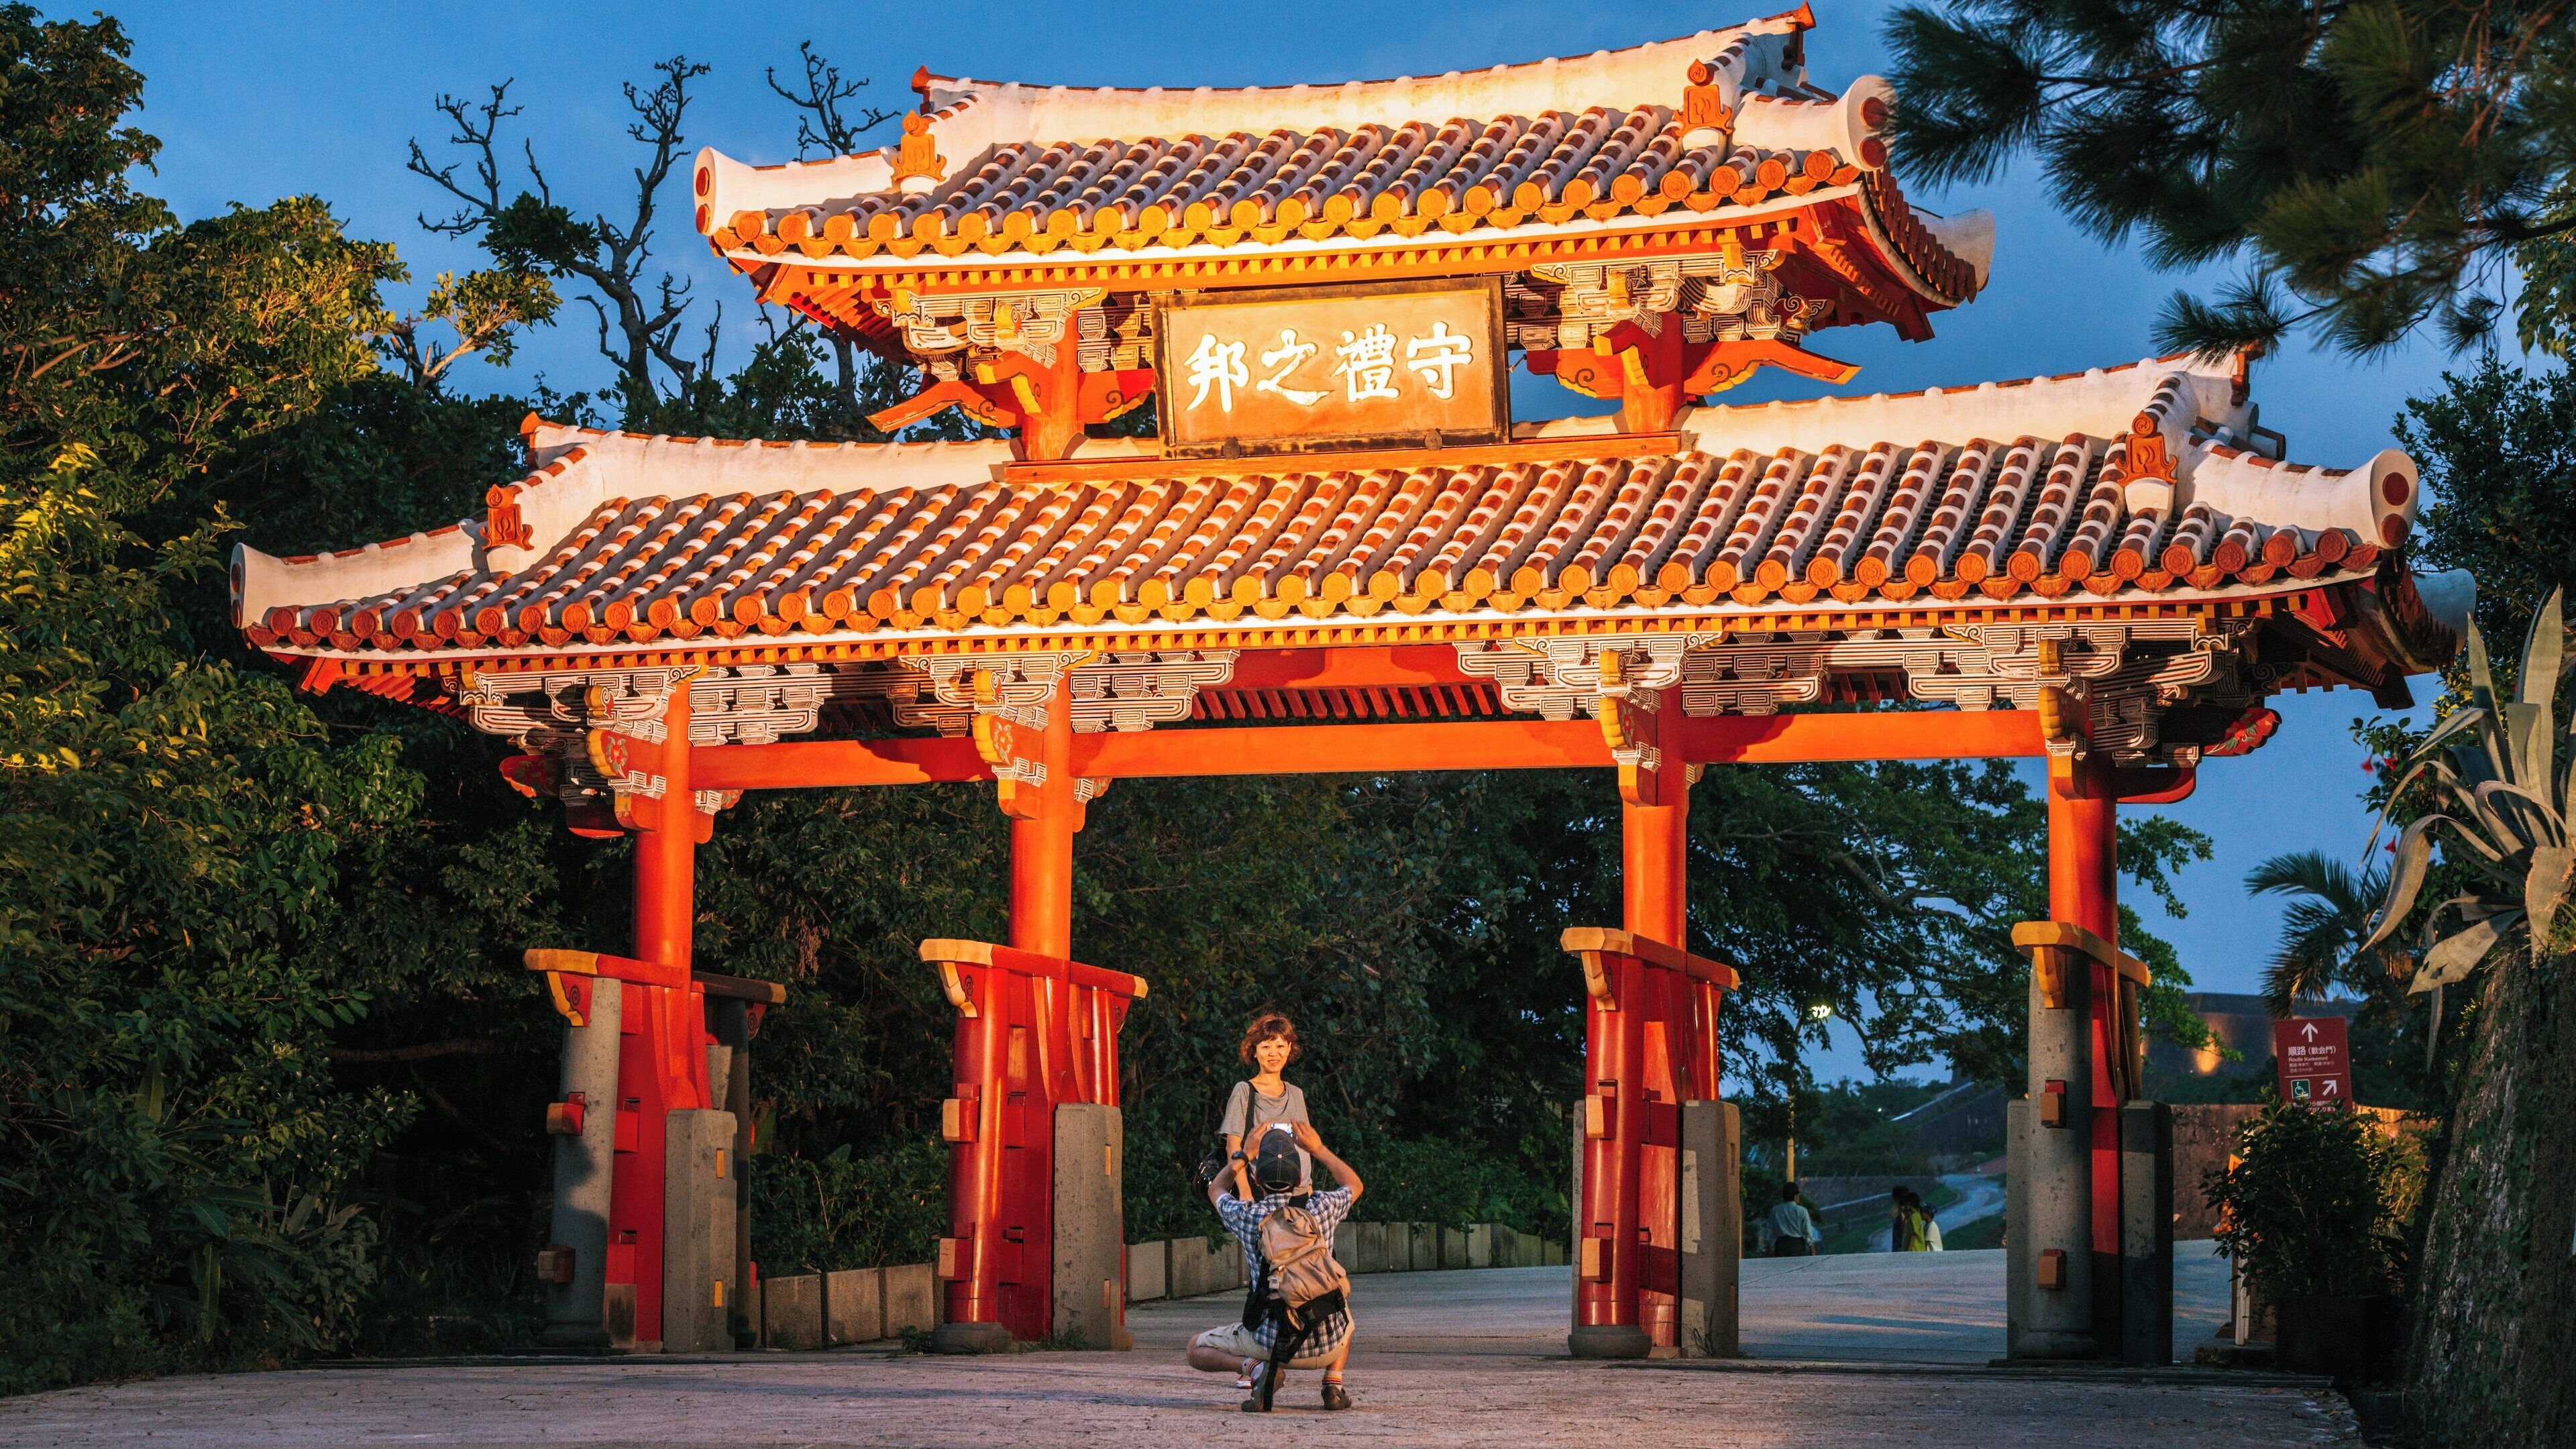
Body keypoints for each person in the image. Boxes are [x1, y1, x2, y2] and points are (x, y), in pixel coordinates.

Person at [1187, 1125, 1364, 1412]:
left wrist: (1244, 1155)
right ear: (1298, 1178)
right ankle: (1333, 1383)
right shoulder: (1323, 1206)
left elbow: (1215, 1190)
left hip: (1272, 1346)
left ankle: (1255, 1369)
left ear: (1257, 1178)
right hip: (1331, 1343)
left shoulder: (1247, 1215)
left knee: (1195, 1349)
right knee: (1339, 1297)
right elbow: (1355, 1185)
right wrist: (1318, 1149)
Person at [1222, 1012, 1313, 1201]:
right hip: (1264, 1194)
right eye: (1266, 1046)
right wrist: (1245, 1193)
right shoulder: (1245, 1091)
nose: (1274, 1053)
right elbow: (1233, 1146)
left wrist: (1310, 1190)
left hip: (1301, 1195)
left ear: (1289, 1048)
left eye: (1280, 1046)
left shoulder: (1296, 1094)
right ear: (1254, 1051)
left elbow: (1305, 1144)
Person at [1766, 1181, 1820, 1256]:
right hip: (1797, 1246)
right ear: (1795, 1196)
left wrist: (1770, 1249)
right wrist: (1813, 1250)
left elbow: (1771, 1233)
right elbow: (1807, 1232)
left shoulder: (1775, 1211)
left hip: (1781, 1247)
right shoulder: (1802, 1211)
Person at [1890, 1187, 1931, 1252]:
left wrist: (1908, 1252)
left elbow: (1913, 1235)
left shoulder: (1913, 1217)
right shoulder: (1914, 1215)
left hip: (1912, 1252)